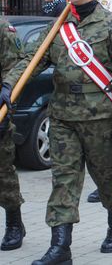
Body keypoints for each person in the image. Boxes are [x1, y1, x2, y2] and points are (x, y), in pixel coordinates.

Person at [3, 0, 112, 263]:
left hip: (100, 117)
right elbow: (31, 60)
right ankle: (60, 246)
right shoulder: (58, 29)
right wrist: (8, 86)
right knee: (64, 179)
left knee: (106, 177)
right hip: (63, 116)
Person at [0, 18, 26, 251]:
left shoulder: (2, 28)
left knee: (3, 173)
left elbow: (15, 70)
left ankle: (14, 223)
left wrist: (6, 111)